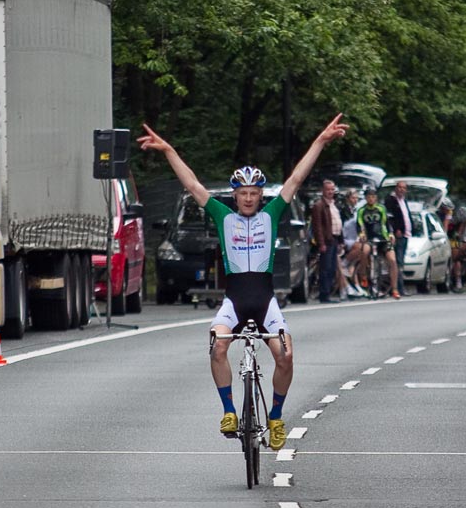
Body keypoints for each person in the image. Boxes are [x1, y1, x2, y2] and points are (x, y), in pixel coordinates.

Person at [138, 114, 349, 450]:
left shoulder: (271, 214)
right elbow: (193, 186)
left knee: (286, 356)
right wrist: (167, 150)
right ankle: (229, 411)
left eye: (254, 193)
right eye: (243, 193)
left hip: (265, 301)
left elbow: (296, 178)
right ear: (234, 196)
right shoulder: (223, 216)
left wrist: (321, 140)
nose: (248, 198)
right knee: (217, 346)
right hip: (234, 301)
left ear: (261, 195)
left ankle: (275, 417)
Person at [356, 186, 400, 298]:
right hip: (370, 238)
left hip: (382, 238)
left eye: (373, 196)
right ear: (366, 198)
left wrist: (391, 234)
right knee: (364, 251)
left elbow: (387, 223)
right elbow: (359, 224)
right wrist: (361, 234)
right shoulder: (361, 210)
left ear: (376, 197)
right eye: (369, 196)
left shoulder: (381, 208)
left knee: (392, 260)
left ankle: (394, 288)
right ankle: (363, 275)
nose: (371, 199)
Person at [310, 179, 343, 303]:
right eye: (328, 189)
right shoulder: (319, 206)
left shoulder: (334, 204)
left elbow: (338, 222)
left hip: (335, 238)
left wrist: (341, 240)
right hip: (326, 240)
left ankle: (328, 292)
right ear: (322, 191)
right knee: (326, 268)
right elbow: (317, 226)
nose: (330, 192)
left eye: (332, 189)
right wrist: (321, 243)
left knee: (332, 268)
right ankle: (324, 294)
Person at [384, 180, 412, 295]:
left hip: (406, 235)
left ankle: (399, 286)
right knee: (398, 261)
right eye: (399, 187)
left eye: (404, 188)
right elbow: (390, 218)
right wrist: (396, 230)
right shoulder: (391, 200)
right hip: (397, 235)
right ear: (396, 188)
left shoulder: (404, 201)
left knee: (401, 261)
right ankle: (399, 287)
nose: (401, 190)